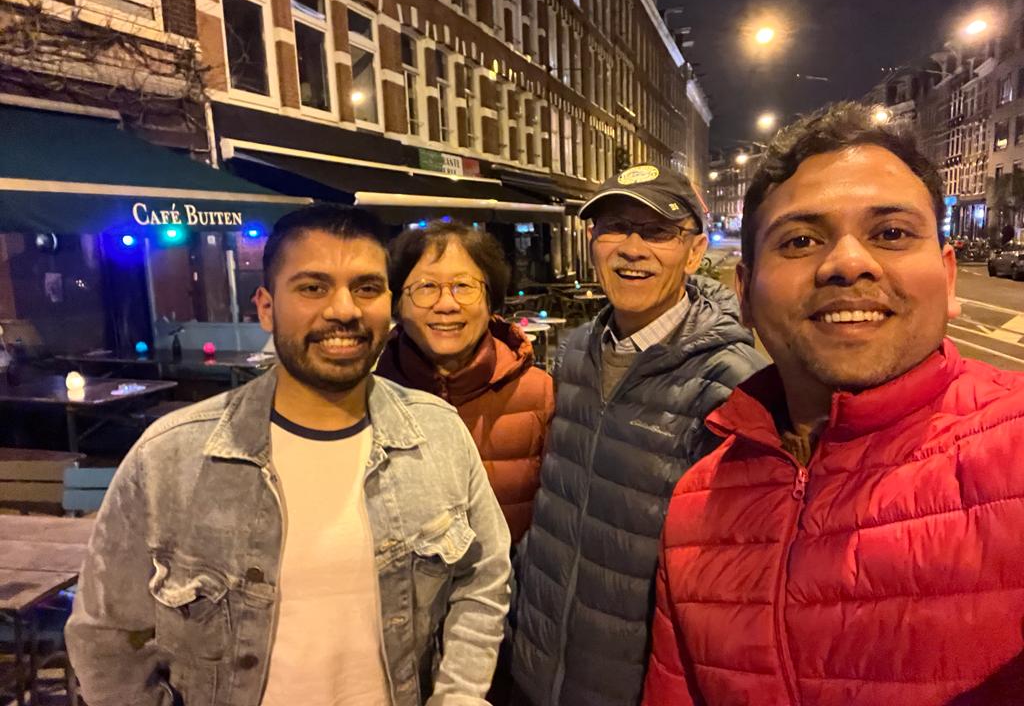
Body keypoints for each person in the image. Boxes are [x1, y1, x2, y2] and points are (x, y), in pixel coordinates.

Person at [643, 102, 1024, 706]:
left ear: (949, 279)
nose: (849, 262)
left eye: (891, 233)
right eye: (799, 240)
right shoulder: (696, 507)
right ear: (744, 294)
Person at [66, 204, 511, 706]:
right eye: (312, 287)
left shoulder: (439, 434)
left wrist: (460, 695)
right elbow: (106, 638)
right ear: (265, 307)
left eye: (366, 287)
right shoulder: (171, 457)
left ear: (388, 304)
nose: (344, 309)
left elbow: (484, 577)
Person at [511, 164, 767, 706]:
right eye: (615, 227)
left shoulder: (730, 379)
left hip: (637, 685)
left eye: (656, 232)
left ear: (694, 253)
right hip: (537, 661)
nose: (632, 248)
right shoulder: (577, 349)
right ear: (593, 243)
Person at [376, 220, 554, 545]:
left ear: (490, 302)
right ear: (398, 304)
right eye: (426, 287)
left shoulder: (539, 393)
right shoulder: (367, 398)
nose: (447, 304)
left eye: (463, 286)